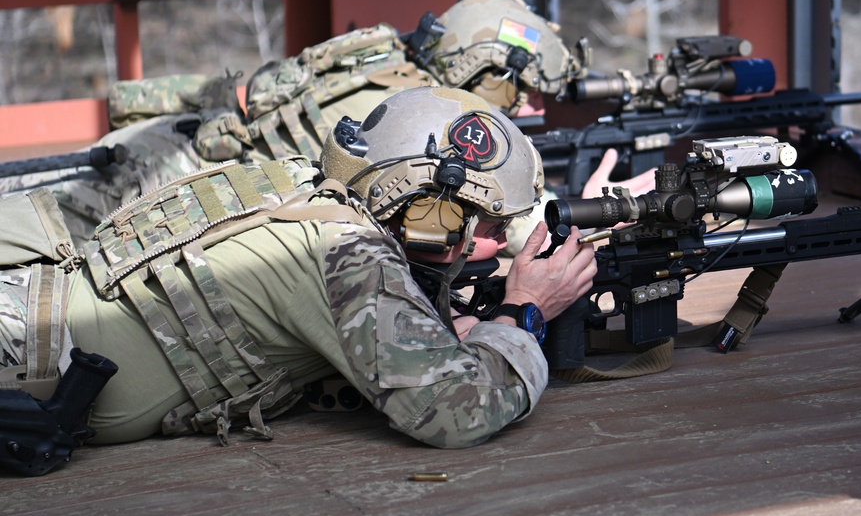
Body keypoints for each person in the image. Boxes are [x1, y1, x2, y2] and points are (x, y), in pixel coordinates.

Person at [0, 87, 596, 458]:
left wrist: (444, 329)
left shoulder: (306, 193)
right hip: (22, 349)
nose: (493, 246)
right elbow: (455, 412)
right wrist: (525, 313)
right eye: (488, 226)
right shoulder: (352, 252)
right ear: (428, 211)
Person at [0, 0, 592, 246]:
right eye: (524, 88)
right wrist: (591, 208)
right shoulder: (412, 119)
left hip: (150, 151)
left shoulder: (381, 59)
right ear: (479, 68)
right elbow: (501, 225)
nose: (535, 107)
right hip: (146, 195)